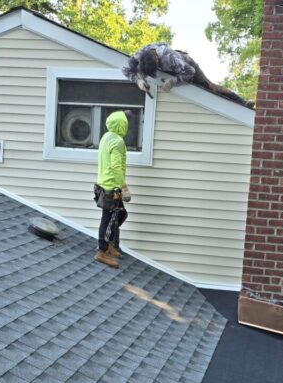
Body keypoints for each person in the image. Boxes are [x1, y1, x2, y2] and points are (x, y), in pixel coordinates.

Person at [122, 42, 252, 107]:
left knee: (211, 87)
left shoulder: (170, 57)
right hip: (173, 70)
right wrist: (137, 80)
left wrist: (172, 82)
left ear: (156, 60)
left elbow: (190, 72)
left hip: (188, 66)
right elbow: (126, 69)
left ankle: (242, 102)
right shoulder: (141, 54)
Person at [93, 110, 131, 269]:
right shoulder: (117, 141)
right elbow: (116, 167)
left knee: (119, 215)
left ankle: (110, 245)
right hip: (111, 188)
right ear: (123, 125)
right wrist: (124, 187)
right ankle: (101, 251)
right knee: (108, 220)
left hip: (102, 185)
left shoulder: (106, 137)